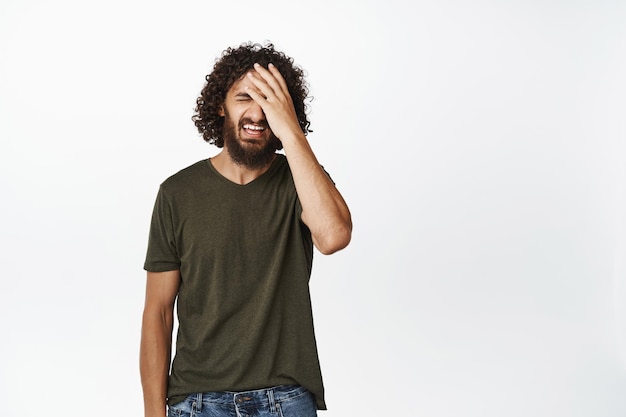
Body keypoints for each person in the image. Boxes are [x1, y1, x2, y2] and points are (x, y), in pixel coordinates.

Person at [139, 42, 352, 417]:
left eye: (270, 103)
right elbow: (158, 312)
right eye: (244, 98)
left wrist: (291, 132)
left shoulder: (300, 182)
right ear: (221, 105)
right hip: (196, 402)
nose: (257, 113)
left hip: (285, 399)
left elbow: (333, 237)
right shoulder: (177, 193)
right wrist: (154, 413)